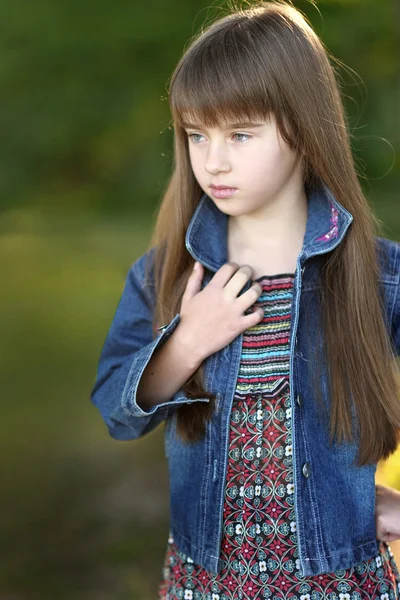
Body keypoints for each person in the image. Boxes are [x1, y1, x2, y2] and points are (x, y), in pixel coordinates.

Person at [90, 1, 400, 598]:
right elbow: (115, 409)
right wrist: (186, 342)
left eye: (240, 133)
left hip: (339, 581)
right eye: (196, 134)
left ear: (304, 128)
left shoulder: (375, 275)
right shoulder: (167, 275)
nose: (213, 161)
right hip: (206, 583)